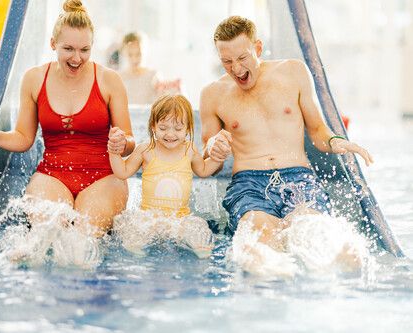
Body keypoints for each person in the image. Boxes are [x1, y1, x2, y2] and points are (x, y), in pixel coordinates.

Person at [200, 17, 373, 267]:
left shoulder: (293, 71)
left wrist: (337, 142)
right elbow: (209, 157)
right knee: (259, 250)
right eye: (227, 61)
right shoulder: (212, 94)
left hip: (298, 179)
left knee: (317, 237)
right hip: (250, 184)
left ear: (258, 48)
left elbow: (317, 130)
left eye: (242, 58)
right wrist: (213, 149)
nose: (236, 69)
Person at [0, 0, 135, 236]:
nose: (77, 58)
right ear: (53, 44)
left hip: (104, 178)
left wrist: (122, 142)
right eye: (68, 49)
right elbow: (24, 138)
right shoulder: (34, 79)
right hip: (53, 175)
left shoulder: (109, 80)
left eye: (85, 50)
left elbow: (129, 143)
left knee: (84, 238)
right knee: (48, 234)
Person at [108, 94, 225, 258]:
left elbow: (204, 170)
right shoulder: (146, 150)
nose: (170, 134)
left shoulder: (189, 150)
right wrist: (114, 153)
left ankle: (200, 254)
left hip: (179, 219)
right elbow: (122, 172)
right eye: (163, 128)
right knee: (132, 239)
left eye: (178, 129)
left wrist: (217, 158)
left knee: (200, 241)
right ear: (153, 126)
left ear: (188, 129)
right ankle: (138, 256)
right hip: (149, 218)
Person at [118, 32, 180, 105]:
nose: (134, 59)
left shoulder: (154, 75)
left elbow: (162, 102)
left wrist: (172, 91)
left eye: (139, 54)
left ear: (145, 51)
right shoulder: (119, 77)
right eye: (130, 55)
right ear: (123, 53)